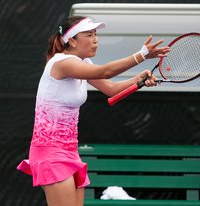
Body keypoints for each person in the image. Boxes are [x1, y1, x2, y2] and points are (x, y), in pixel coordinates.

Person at [17, 16, 170, 206]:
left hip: (70, 151)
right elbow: (104, 72)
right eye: (88, 35)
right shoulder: (62, 63)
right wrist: (141, 55)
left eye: (96, 34)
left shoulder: (83, 64)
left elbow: (110, 88)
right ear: (72, 40)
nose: (95, 39)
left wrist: (137, 80)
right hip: (50, 152)